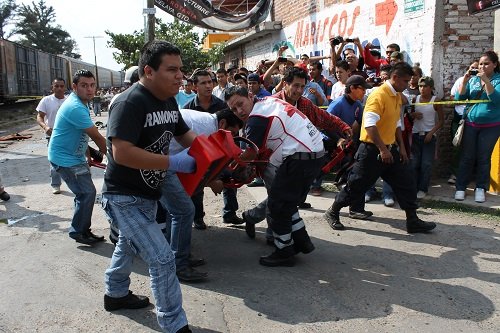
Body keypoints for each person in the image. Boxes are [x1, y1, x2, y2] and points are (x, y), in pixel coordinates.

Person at [101, 40, 194, 333]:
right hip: (123, 197)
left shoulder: (168, 100)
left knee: (127, 244)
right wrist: (173, 163)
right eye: (172, 70)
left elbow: (189, 138)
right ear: (148, 71)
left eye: (181, 69)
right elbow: (122, 153)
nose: (180, 76)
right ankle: (173, 324)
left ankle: (115, 294)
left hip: (148, 193)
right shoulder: (131, 102)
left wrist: (218, 158)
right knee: (163, 259)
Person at [237, 67, 351, 252]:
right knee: (280, 199)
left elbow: (323, 117)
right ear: (285, 83)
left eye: (302, 87)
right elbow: (252, 138)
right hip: (270, 161)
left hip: (296, 160)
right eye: (295, 86)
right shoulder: (270, 103)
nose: (298, 91)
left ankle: (252, 217)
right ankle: (276, 237)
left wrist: (342, 127)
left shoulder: (305, 104)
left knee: (284, 198)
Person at [324, 62, 437, 234]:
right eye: (405, 81)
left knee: (406, 182)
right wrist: (382, 149)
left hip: (389, 149)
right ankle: (332, 211)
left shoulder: (397, 95)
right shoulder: (378, 95)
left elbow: (396, 123)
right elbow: (369, 125)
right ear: (395, 78)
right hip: (372, 150)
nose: (408, 85)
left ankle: (412, 220)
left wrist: (402, 148)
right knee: (356, 186)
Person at [226, 86, 326, 267]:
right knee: (285, 202)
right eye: (233, 109)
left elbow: (250, 153)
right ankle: (302, 241)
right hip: (313, 153)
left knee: (276, 206)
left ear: (250, 96)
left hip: (300, 157)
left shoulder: (257, 119)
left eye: (240, 104)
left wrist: (230, 166)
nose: (239, 111)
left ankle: (284, 251)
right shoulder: (266, 102)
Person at [159, 108, 244, 282]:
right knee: (184, 210)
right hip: (161, 163)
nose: (232, 138)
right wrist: (212, 181)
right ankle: (179, 264)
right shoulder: (207, 128)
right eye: (232, 132)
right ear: (222, 124)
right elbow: (201, 159)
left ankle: (175, 256)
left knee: (175, 210)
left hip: (166, 161)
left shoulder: (206, 122)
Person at [48, 70, 107, 244]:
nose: (90, 90)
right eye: (84, 85)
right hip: (65, 159)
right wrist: (114, 158)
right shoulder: (75, 107)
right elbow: (97, 137)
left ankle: (81, 228)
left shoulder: (80, 103)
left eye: (92, 85)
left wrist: (87, 154)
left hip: (73, 156)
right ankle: (78, 231)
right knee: (87, 193)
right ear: (74, 87)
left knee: (83, 194)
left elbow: (83, 134)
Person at [454, 50, 500, 203]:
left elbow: (496, 100)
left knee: (483, 157)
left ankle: (481, 188)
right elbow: (459, 98)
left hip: (491, 126)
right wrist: (465, 81)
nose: (482, 66)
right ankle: (460, 187)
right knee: (467, 156)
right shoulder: (473, 80)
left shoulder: (498, 80)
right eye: (481, 63)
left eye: (486, 64)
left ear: (495, 65)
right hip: (471, 124)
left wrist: (486, 81)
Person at [410, 76, 444, 199]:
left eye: (425, 86)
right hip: (415, 135)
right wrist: (413, 115)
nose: (422, 89)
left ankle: (423, 188)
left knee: (427, 164)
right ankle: (413, 187)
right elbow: (409, 116)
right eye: (420, 86)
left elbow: (441, 120)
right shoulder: (415, 98)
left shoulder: (436, 100)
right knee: (414, 163)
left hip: (428, 136)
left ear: (431, 87)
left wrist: (431, 132)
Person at [448, 60, 479, 185]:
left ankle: (469, 174)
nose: (474, 71)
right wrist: (462, 99)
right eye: (472, 68)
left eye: (477, 69)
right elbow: (452, 97)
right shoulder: (461, 80)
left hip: (473, 118)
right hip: (459, 118)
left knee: (472, 148)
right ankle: (454, 173)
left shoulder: (482, 82)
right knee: (457, 146)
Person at [36, 77, 67, 194]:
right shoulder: (46, 100)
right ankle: (55, 184)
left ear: (65, 87)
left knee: (73, 159)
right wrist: (45, 127)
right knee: (54, 160)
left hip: (68, 135)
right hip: (52, 135)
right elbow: (39, 117)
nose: (59, 88)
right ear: (52, 87)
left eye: (61, 86)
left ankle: (75, 183)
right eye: (56, 86)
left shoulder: (69, 100)